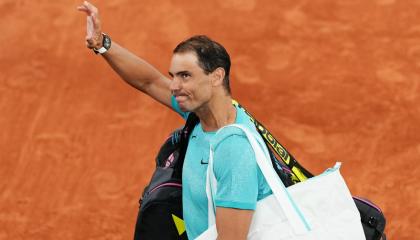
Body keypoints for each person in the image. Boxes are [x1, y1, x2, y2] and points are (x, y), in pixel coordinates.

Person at [77, 1, 272, 239]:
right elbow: (149, 82)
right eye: (174, 76)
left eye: (185, 76)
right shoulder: (200, 114)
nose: (174, 85)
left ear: (216, 76)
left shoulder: (234, 151)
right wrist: (102, 44)